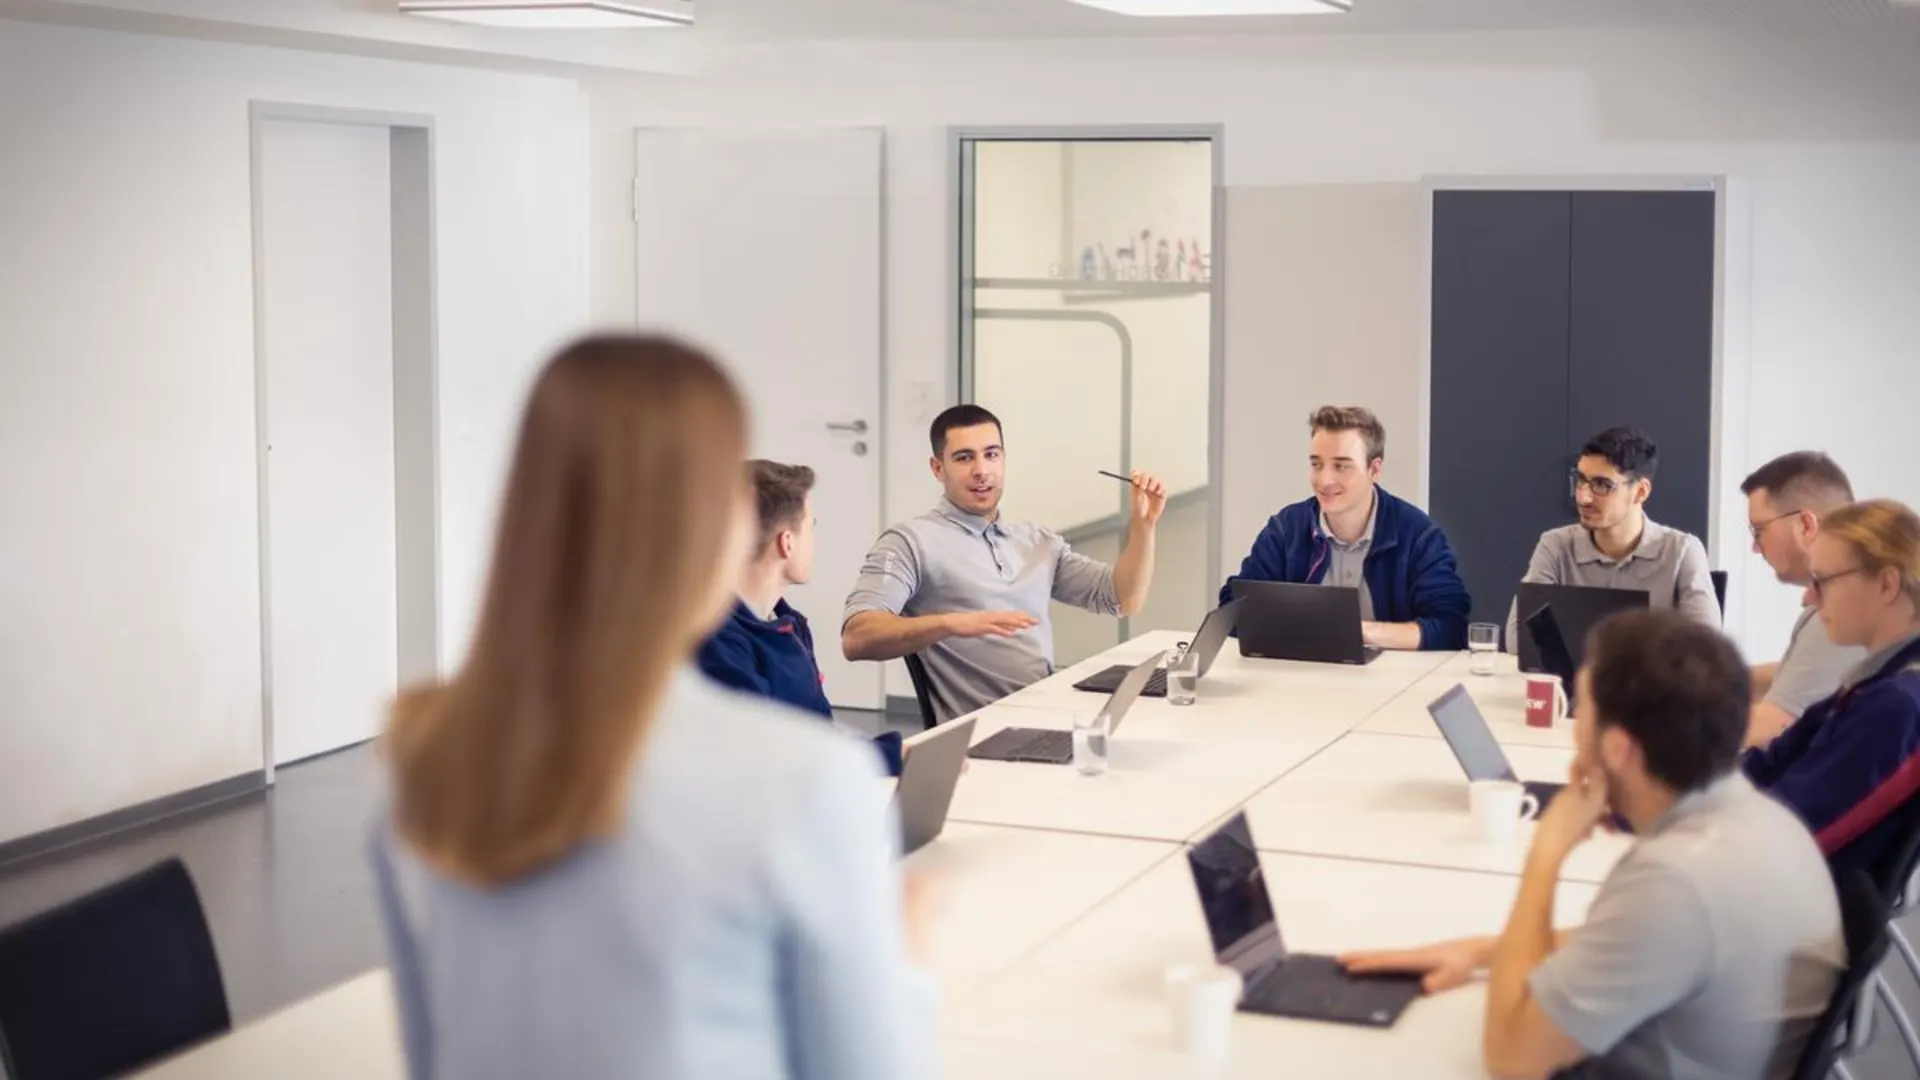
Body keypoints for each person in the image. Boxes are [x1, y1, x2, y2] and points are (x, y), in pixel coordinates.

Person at [369, 336, 936, 1080]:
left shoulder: (423, 768)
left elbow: (431, 1060)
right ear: (722, 522)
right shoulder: (803, 783)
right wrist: (902, 965)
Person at [1343, 610, 1843, 1080]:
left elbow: (1512, 1061)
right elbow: (1634, 938)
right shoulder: (1763, 822)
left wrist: (1547, 853)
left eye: (1582, 712)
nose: (1576, 731)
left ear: (1618, 748)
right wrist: (1476, 952)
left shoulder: (1674, 882)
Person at [841, 404, 1167, 723]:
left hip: (1048, 715)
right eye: (964, 457)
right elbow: (857, 638)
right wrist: (949, 624)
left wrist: (1144, 525)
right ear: (938, 468)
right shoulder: (910, 542)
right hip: (983, 734)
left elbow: (1123, 598)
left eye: (991, 454)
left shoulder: (1036, 540)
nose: (981, 470)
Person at [1743, 498, 1920, 879]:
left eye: (1821, 581)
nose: (1808, 597)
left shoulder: (1894, 708)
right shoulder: (1871, 687)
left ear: (1887, 584)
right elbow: (1768, 764)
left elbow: (1786, 836)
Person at [697, 460, 903, 775]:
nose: (814, 539)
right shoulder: (718, 642)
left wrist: (893, 754)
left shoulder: (790, 624)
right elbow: (767, 753)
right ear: (787, 543)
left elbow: (817, 730)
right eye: (811, 526)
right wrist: (886, 756)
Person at [1222, 405, 1469, 651]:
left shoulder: (1418, 535)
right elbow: (1233, 610)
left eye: (1341, 466)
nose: (1324, 480)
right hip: (1303, 671)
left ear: (1374, 469)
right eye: (1317, 465)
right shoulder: (1286, 529)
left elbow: (1450, 628)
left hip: (1391, 673)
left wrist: (1358, 632)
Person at [1506, 426, 1718, 649]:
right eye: (1581, 480)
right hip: (1578, 673)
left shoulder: (1682, 551)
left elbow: (1705, 650)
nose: (1583, 497)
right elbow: (1518, 639)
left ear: (1640, 492)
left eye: (1602, 485)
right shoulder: (1555, 546)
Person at [1739, 452, 1865, 748]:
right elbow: (1804, 675)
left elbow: (1774, 725)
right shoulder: (1860, 586)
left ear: (1806, 525)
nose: (1755, 547)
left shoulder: (1845, 605)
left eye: (1759, 531)